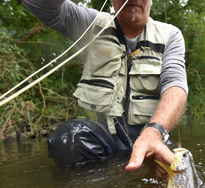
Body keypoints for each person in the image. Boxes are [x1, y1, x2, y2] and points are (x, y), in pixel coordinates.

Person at [22, 0, 188, 178]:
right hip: (106, 144)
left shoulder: (171, 35)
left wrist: (155, 132)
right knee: (69, 139)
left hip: (154, 141)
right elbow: (39, 5)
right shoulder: (91, 24)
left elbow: (175, 84)